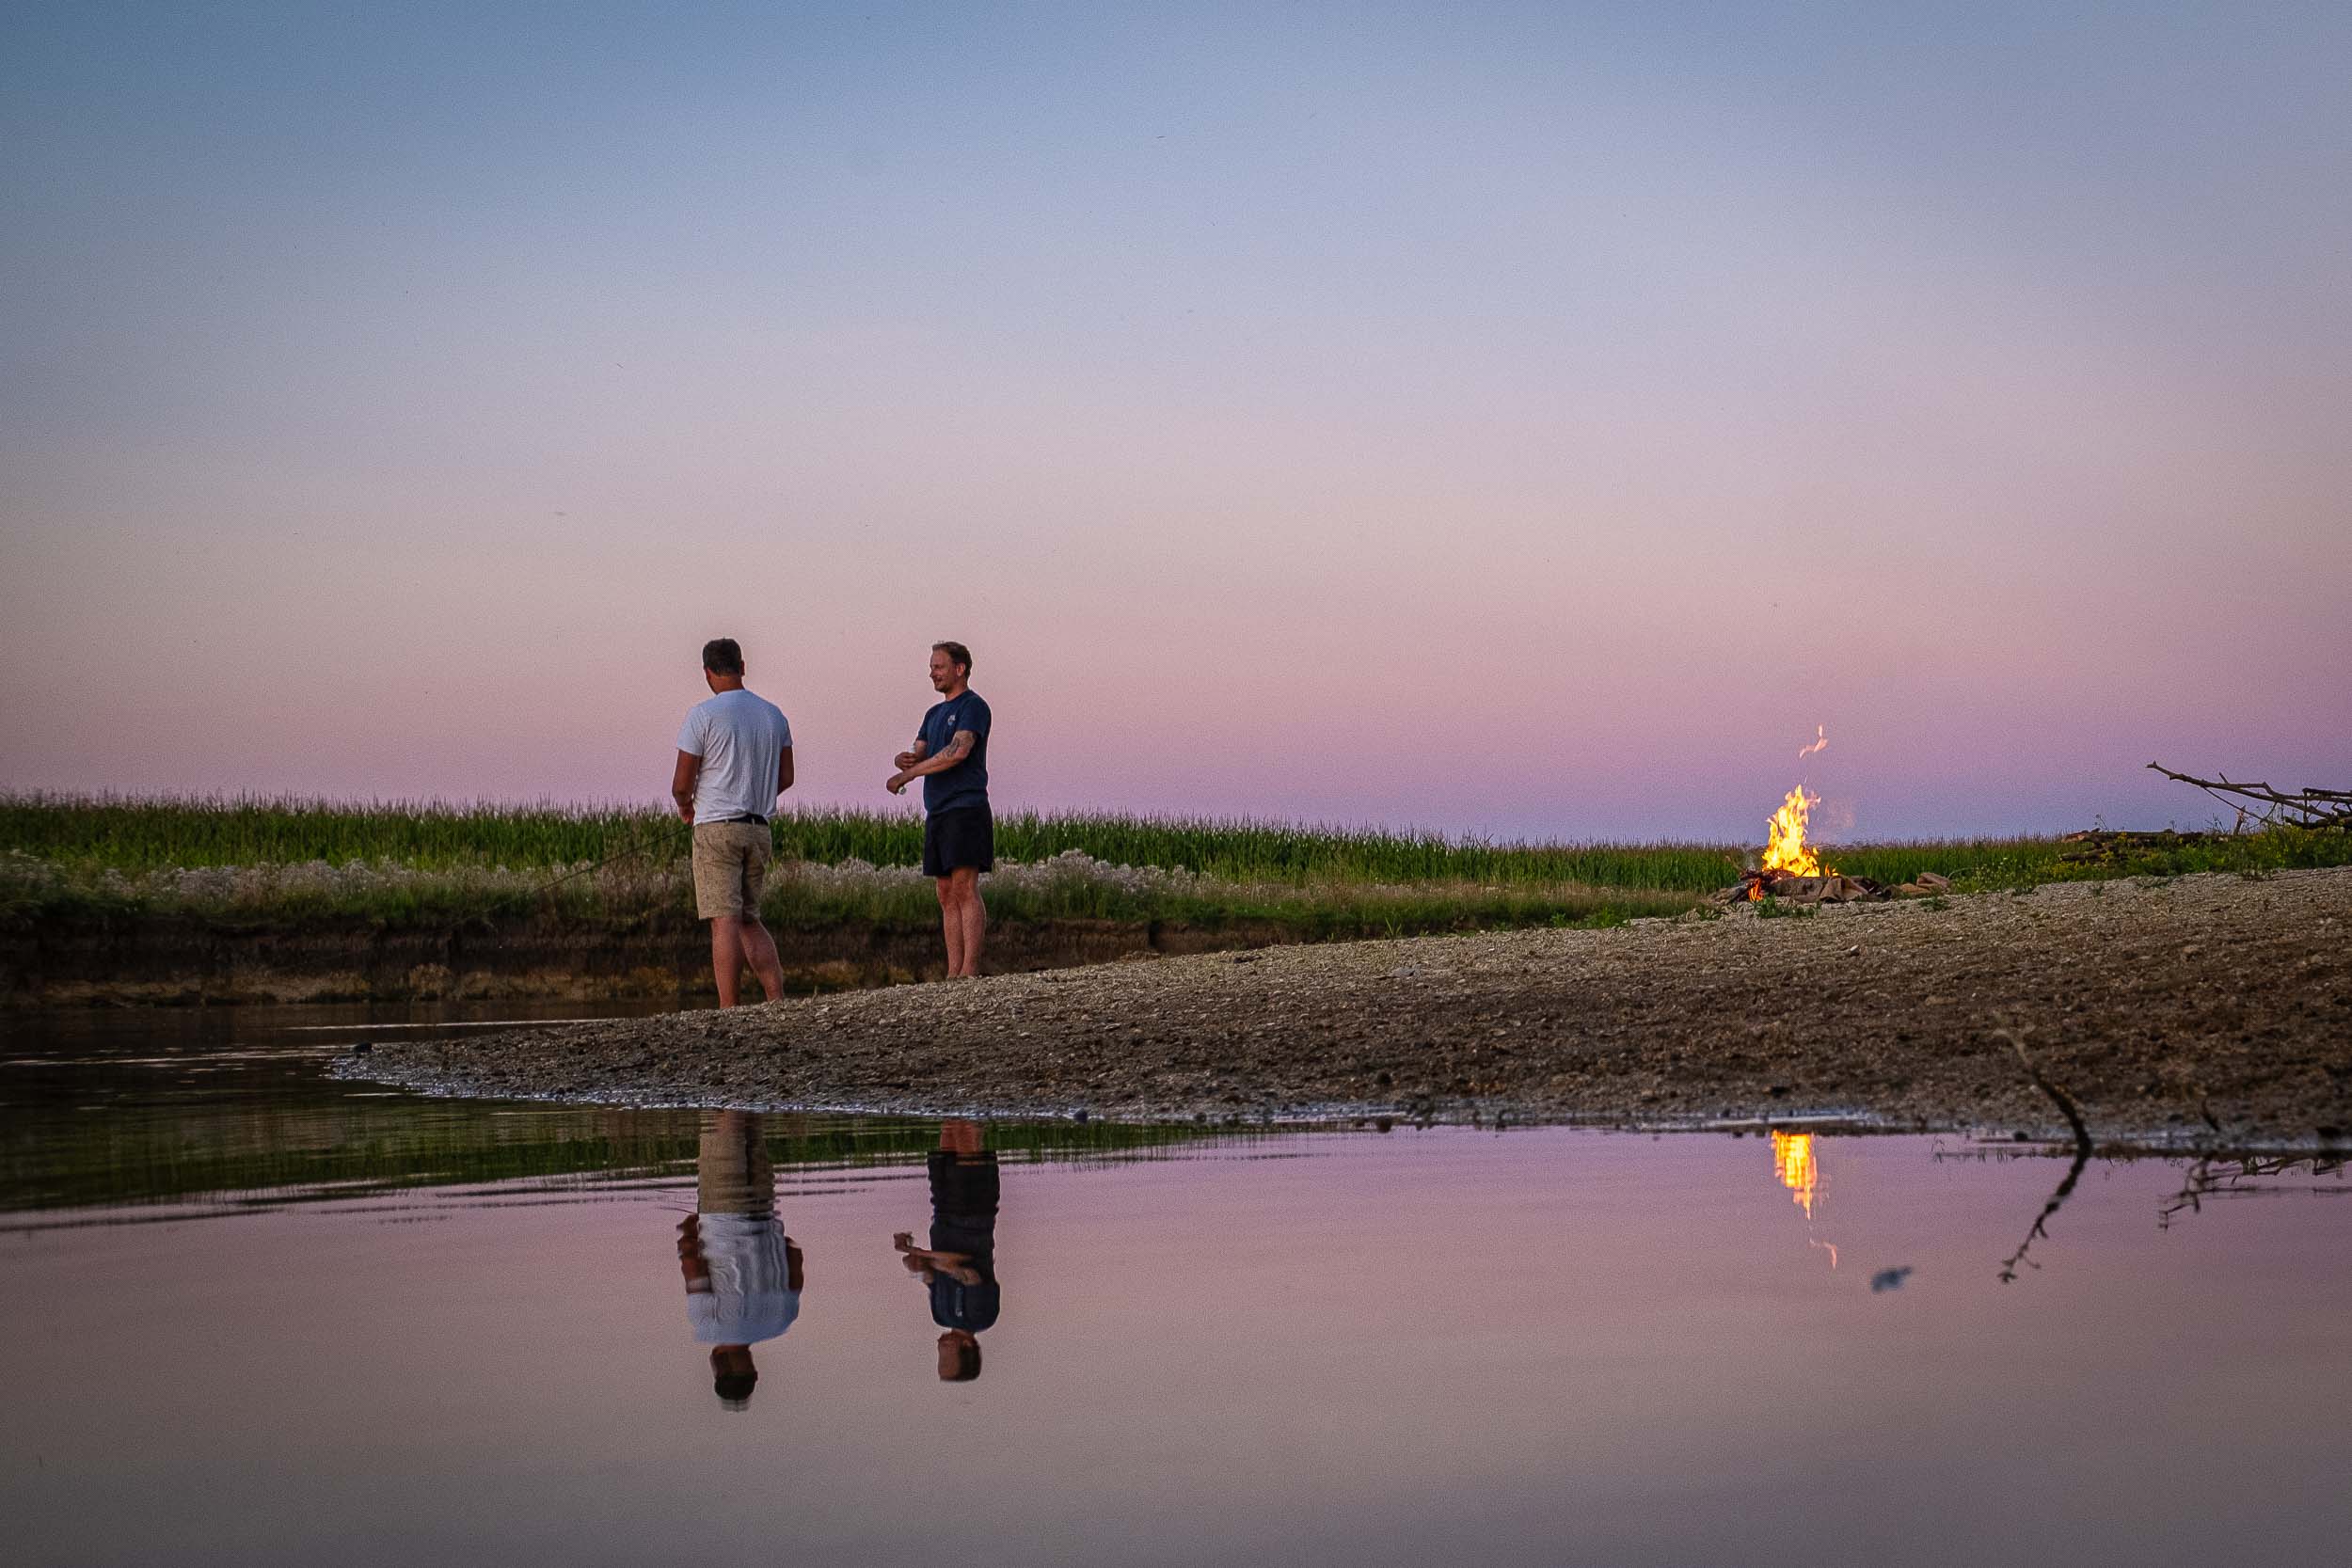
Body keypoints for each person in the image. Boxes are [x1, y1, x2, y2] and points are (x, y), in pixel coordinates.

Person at [672, 637, 793, 1006]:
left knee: (723, 919)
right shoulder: (774, 715)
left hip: (716, 828)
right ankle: (776, 1000)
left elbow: (681, 783)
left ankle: (729, 1008)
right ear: (742, 667)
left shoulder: (702, 715)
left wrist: (687, 806)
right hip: (758, 828)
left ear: (707, 672)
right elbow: (785, 777)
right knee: (748, 919)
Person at [676, 1111, 804, 1410]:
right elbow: (692, 1265)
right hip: (720, 1214)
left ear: (754, 1370)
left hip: (764, 1212)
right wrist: (687, 1233)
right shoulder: (706, 1325)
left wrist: (769, 1239)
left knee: (752, 1134)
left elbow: (795, 1257)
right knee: (723, 1130)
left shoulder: (782, 1321)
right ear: (717, 1367)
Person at [885, 641, 992, 979]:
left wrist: (910, 773)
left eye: (939, 666)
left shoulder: (973, 706)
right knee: (945, 891)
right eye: (932, 667)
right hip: (938, 810)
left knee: (964, 886)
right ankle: (952, 971)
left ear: (959, 669)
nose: (933, 673)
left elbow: (957, 752)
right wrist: (904, 761)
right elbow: (920, 752)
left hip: (966, 807)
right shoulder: (932, 714)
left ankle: (969, 970)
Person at [892, 1119, 1001, 1382]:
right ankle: (970, 1105)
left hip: (944, 1216)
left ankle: (952, 1111)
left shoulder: (940, 1315)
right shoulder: (982, 1317)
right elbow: (961, 1267)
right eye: (946, 1358)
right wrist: (922, 1254)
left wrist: (912, 1261)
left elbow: (929, 1276)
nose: (940, 1351)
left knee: (945, 1150)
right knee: (966, 1145)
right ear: (967, 1349)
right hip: (973, 1217)